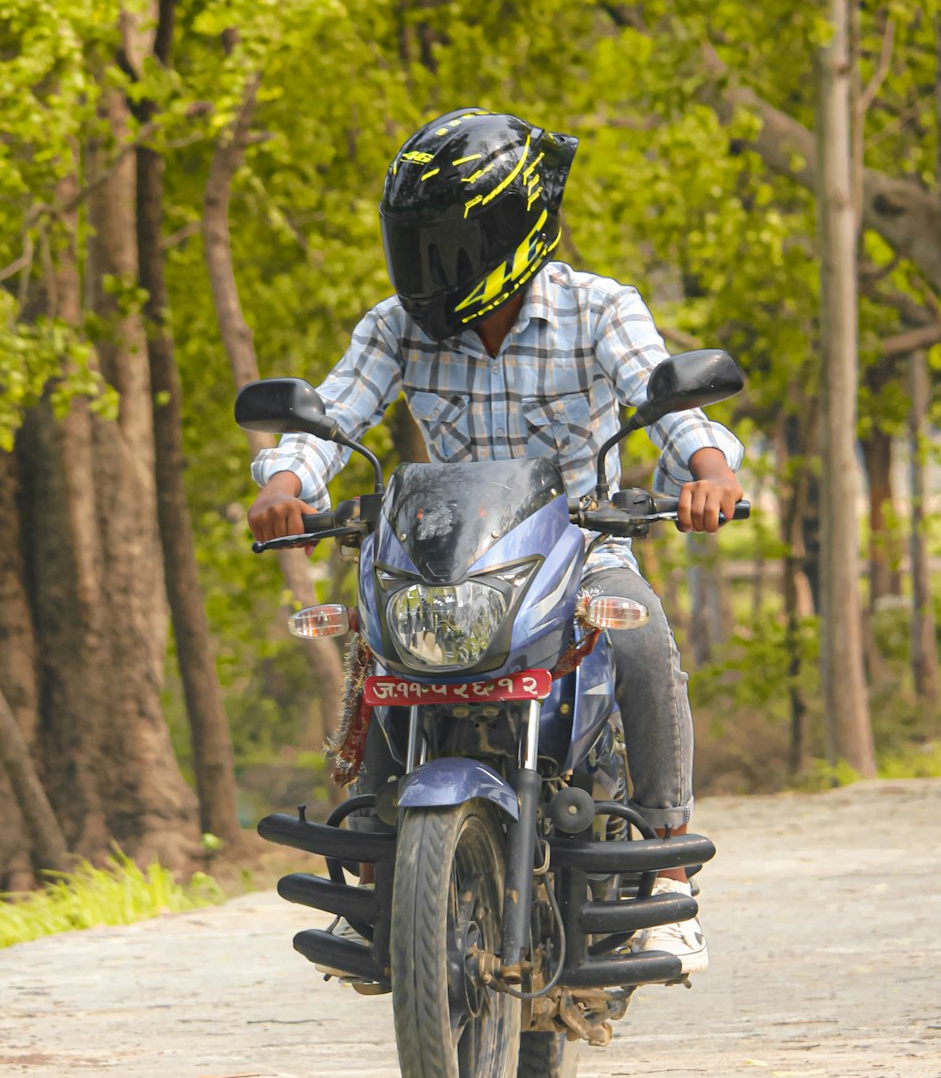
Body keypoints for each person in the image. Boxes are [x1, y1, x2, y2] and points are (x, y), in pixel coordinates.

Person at [247, 108, 745, 974]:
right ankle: (376, 867)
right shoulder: (396, 325)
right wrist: (288, 484)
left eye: (445, 241)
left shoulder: (598, 309)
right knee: (380, 650)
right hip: (444, 556)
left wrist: (708, 472)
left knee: (643, 640)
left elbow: (670, 406)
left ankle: (666, 864)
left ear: (509, 230)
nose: (426, 264)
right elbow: (332, 418)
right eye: (417, 241)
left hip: (580, 544)